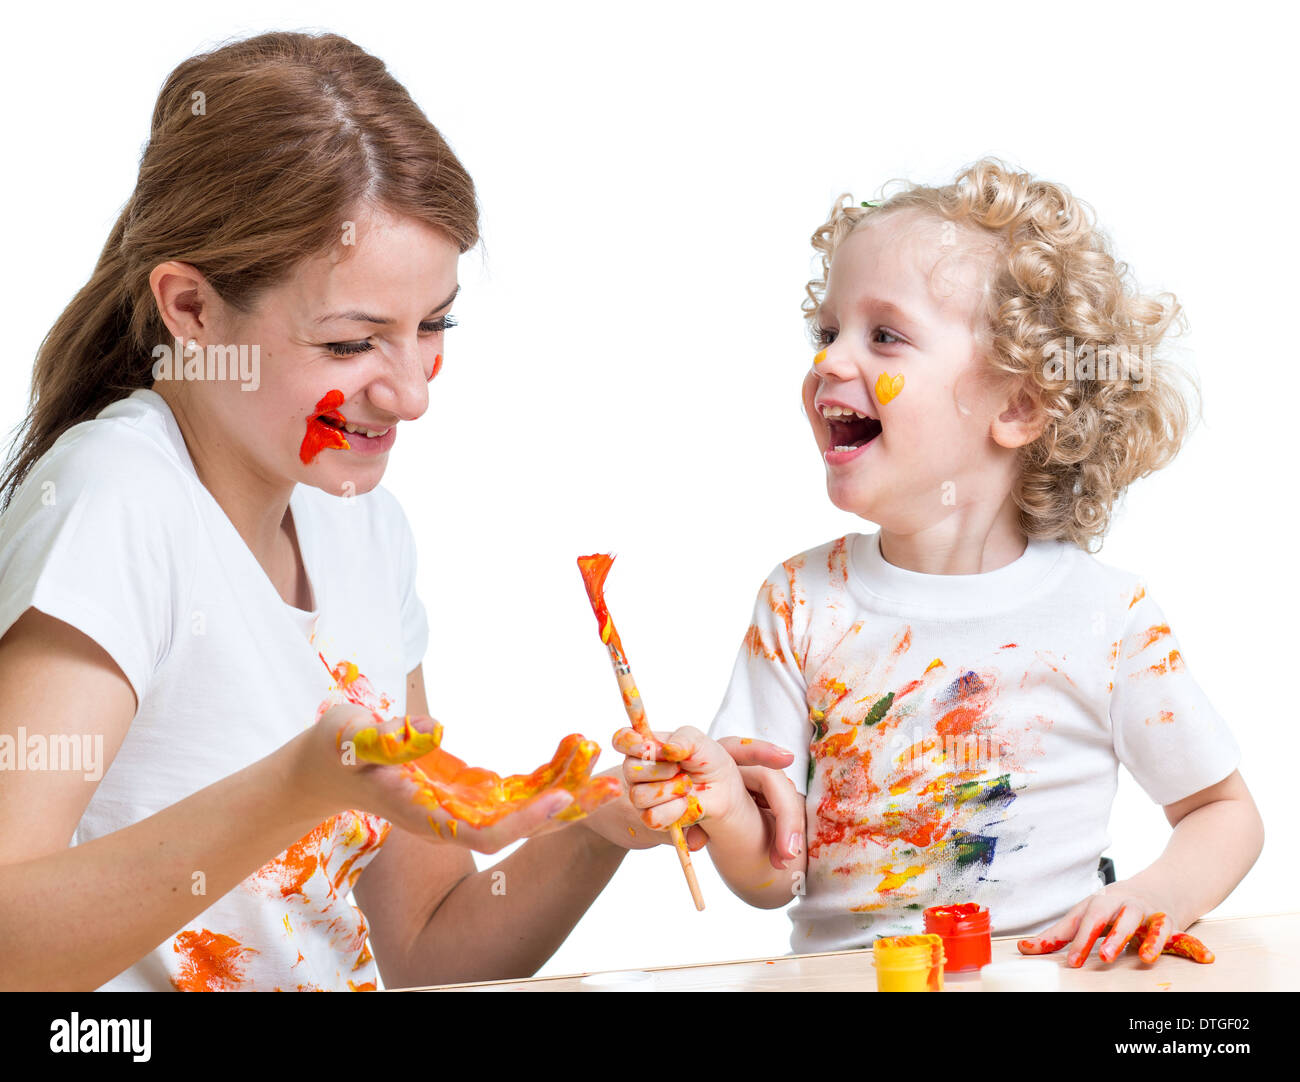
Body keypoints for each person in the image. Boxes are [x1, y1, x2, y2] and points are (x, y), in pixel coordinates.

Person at [0, 29, 791, 993]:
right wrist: (293, 787)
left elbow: (423, 944)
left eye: (434, 326)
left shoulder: (358, 523)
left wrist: (597, 827)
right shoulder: (116, 504)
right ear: (193, 311)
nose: (412, 393)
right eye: (350, 344)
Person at [620, 158, 1265, 967]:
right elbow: (768, 878)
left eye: (884, 336)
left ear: (1020, 406)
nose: (828, 361)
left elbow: (1224, 812)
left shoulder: (1105, 616)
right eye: (827, 333)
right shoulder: (800, 602)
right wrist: (718, 802)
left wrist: (1156, 894)